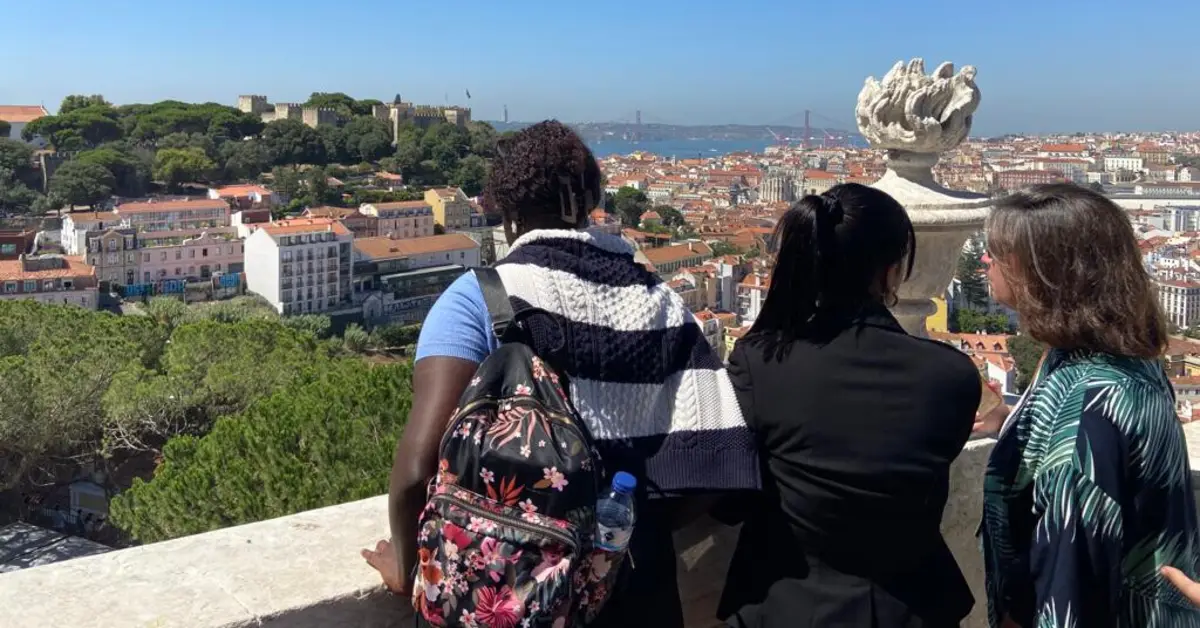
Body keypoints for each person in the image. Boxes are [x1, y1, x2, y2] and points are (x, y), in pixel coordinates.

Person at [363, 120, 759, 626]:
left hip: (512, 595)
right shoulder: (659, 302)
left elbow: (419, 465)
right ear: (593, 199)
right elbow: (718, 461)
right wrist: (628, 531)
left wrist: (404, 565)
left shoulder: (478, 297)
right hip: (638, 594)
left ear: (504, 211)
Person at [718, 184, 983, 628]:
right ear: (893, 272)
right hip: (910, 609)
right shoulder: (950, 376)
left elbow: (730, 499)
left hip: (783, 606)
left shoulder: (760, 362)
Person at [979, 184, 1200, 628]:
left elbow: (1069, 589)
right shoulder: (1125, 359)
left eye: (999, 253)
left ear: (1047, 273)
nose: (986, 262)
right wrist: (1013, 424)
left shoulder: (1086, 410)